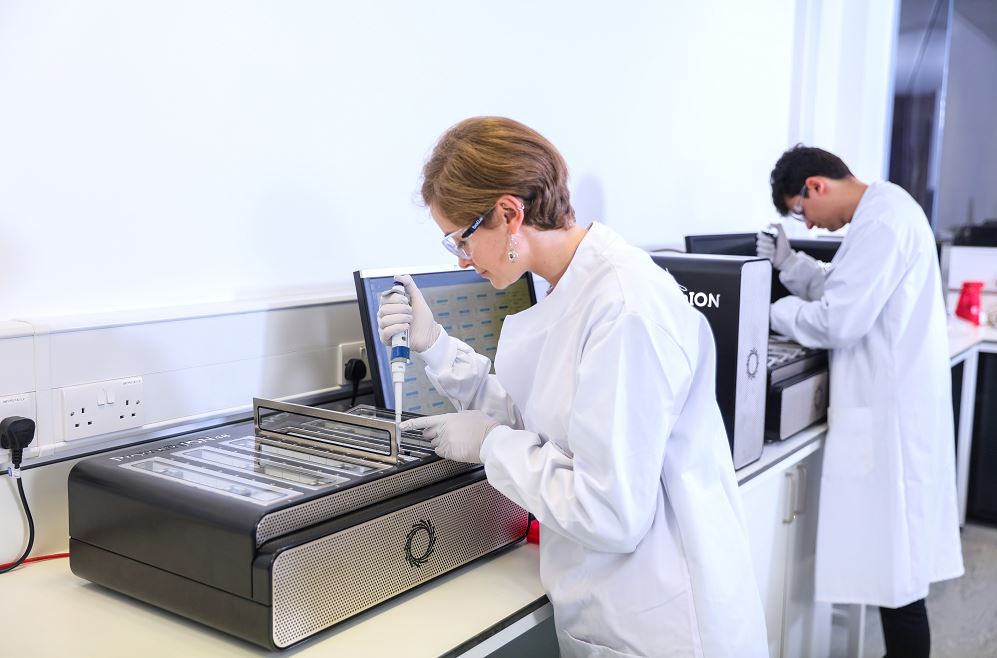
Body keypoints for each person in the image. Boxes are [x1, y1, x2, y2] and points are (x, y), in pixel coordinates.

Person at [378, 116, 767, 657]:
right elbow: (541, 417)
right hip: (613, 604)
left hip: (665, 622)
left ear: (510, 213)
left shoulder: (624, 308)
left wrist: (489, 443)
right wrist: (435, 345)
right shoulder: (568, 289)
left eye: (460, 239)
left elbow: (609, 511)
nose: (463, 260)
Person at [758, 145, 964, 658]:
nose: (814, 225)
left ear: (816, 186)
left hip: (891, 422)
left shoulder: (883, 222)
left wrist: (770, 311)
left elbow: (838, 320)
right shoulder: (883, 213)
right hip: (891, 413)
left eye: (804, 212)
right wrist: (788, 264)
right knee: (895, 579)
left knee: (899, 590)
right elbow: (843, 285)